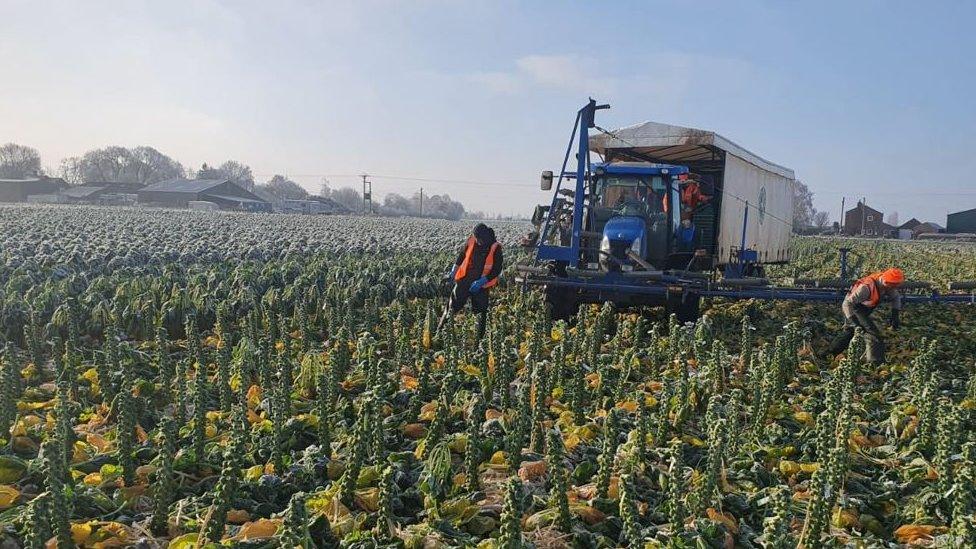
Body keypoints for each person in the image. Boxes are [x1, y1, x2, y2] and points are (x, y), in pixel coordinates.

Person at [440, 223, 504, 340]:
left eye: (479, 239)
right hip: (464, 280)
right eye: (476, 238)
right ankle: (440, 333)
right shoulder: (471, 240)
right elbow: (461, 256)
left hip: (481, 285)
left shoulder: (495, 247)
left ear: (485, 237)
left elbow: (497, 269)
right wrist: (452, 273)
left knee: (480, 313)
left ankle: (479, 340)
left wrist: (482, 281)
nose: (477, 241)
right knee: (452, 307)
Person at [828, 268, 904, 364]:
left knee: (850, 331)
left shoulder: (887, 285)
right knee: (872, 332)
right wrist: (853, 321)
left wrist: (895, 314)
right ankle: (875, 362)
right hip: (854, 309)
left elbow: (896, 297)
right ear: (885, 281)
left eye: (894, 286)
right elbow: (847, 304)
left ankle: (831, 352)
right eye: (891, 286)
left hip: (864, 309)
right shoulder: (866, 288)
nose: (892, 288)